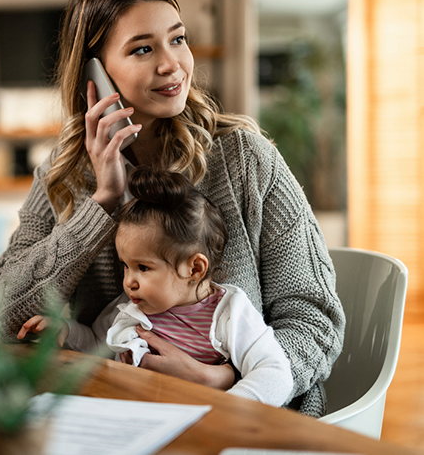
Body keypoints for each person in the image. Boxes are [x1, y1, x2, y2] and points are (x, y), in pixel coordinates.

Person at [0, 0, 345, 417]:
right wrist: (104, 202)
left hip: (251, 419)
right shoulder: (63, 175)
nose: (172, 63)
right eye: (142, 49)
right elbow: (5, 313)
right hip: (114, 415)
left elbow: (315, 319)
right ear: (95, 75)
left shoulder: (245, 158)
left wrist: (226, 379)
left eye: (178, 39)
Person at [17, 167, 295, 407]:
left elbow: (275, 371)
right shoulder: (131, 309)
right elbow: (97, 346)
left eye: (144, 268)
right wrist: (66, 331)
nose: (129, 281)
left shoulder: (229, 313)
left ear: (194, 269)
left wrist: (230, 408)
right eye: (126, 265)